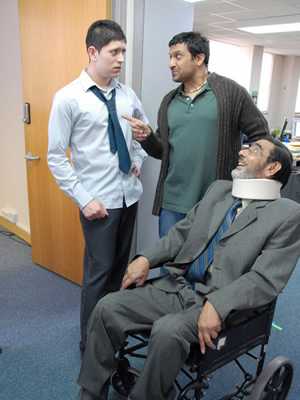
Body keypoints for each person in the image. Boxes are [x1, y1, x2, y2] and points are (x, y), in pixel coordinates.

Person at [76, 137, 300, 400]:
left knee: (168, 331)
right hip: (178, 286)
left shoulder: (286, 214)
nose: (242, 151)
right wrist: (146, 258)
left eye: (254, 150)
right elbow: (181, 235)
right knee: (106, 307)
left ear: (272, 168)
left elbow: (264, 279)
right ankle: (90, 393)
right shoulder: (220, 190)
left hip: (220, 303)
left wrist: (217, 304)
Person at [47, 20, 148, 354]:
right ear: (93, 52)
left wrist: (137, 159)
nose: (121, 59)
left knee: (121, 271)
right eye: (114, 52)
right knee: (98, 275)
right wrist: (84, 198)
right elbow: (56, 158)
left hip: (127, 196)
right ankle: (90, 344)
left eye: (123, 51)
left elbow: (142, 133)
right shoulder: (68, 98)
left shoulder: (127, 93)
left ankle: (111, 333)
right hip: (98, 204)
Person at [123, 31, 270, 238]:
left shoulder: (230, 92)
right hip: (173, 203)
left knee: (211, 266)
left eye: (178, 56)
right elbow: (162, 151)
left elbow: (262, 136)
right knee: (170, 263)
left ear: (199, 58)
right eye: (170, 57)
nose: (171, 63)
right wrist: (147, 137)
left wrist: (247, 168)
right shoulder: (169, 101)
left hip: (217, 201)